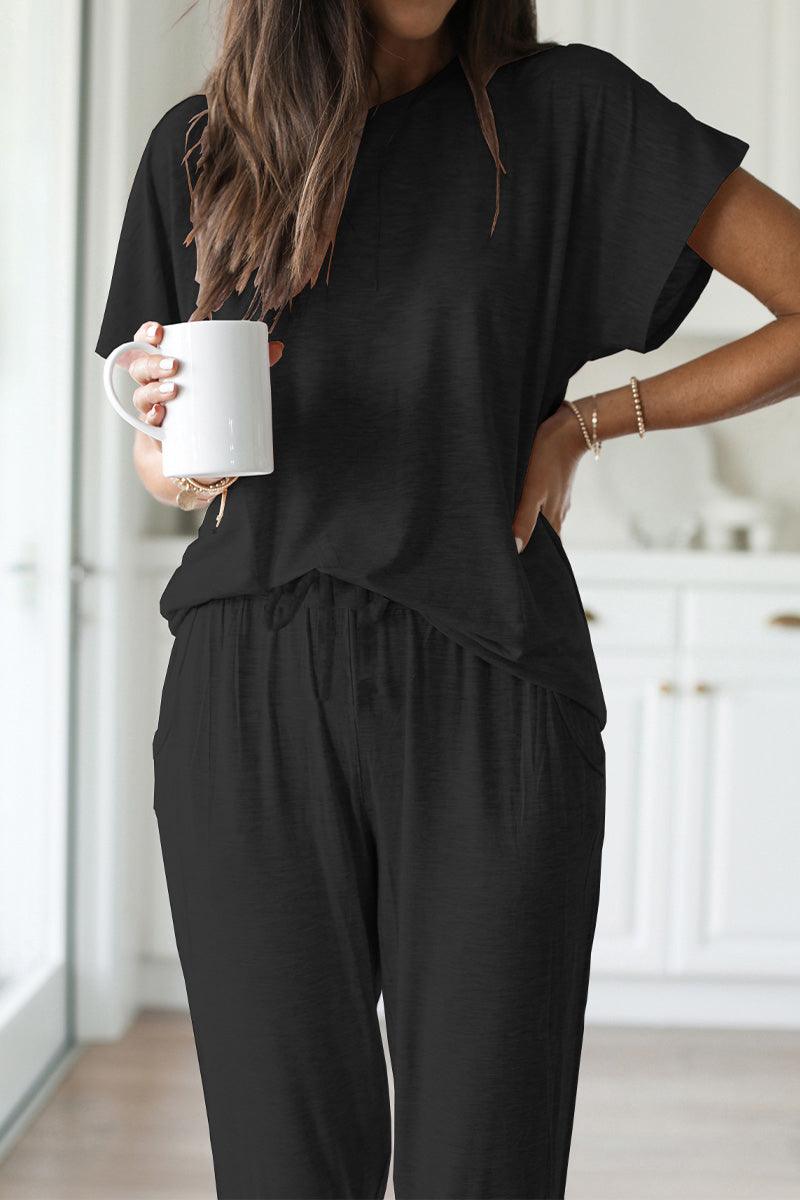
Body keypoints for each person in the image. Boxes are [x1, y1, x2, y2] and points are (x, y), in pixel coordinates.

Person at [94, 1, 800, 1196]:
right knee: (280, 1169)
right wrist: (171, 435)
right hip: (247, 688)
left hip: (491, 676)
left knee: (485, 1166)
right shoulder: (199, 147)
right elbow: (166, 472)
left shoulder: (566, 112)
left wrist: (585, 424)